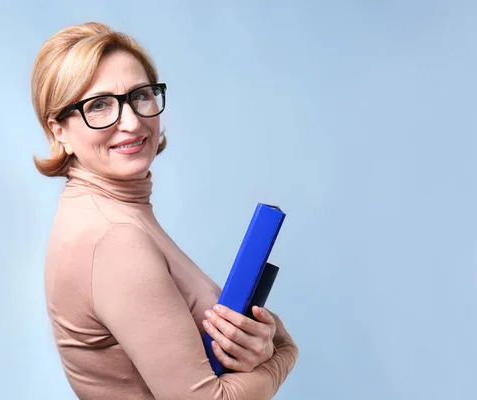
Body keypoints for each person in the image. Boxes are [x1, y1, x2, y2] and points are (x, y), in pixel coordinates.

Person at [31, 22, 298, 400]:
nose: (131, 121)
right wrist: (284, 354)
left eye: (140, 96)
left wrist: (259, 340)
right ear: (59, 130)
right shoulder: (114, 238)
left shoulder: (113, 209)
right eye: (99, 105)